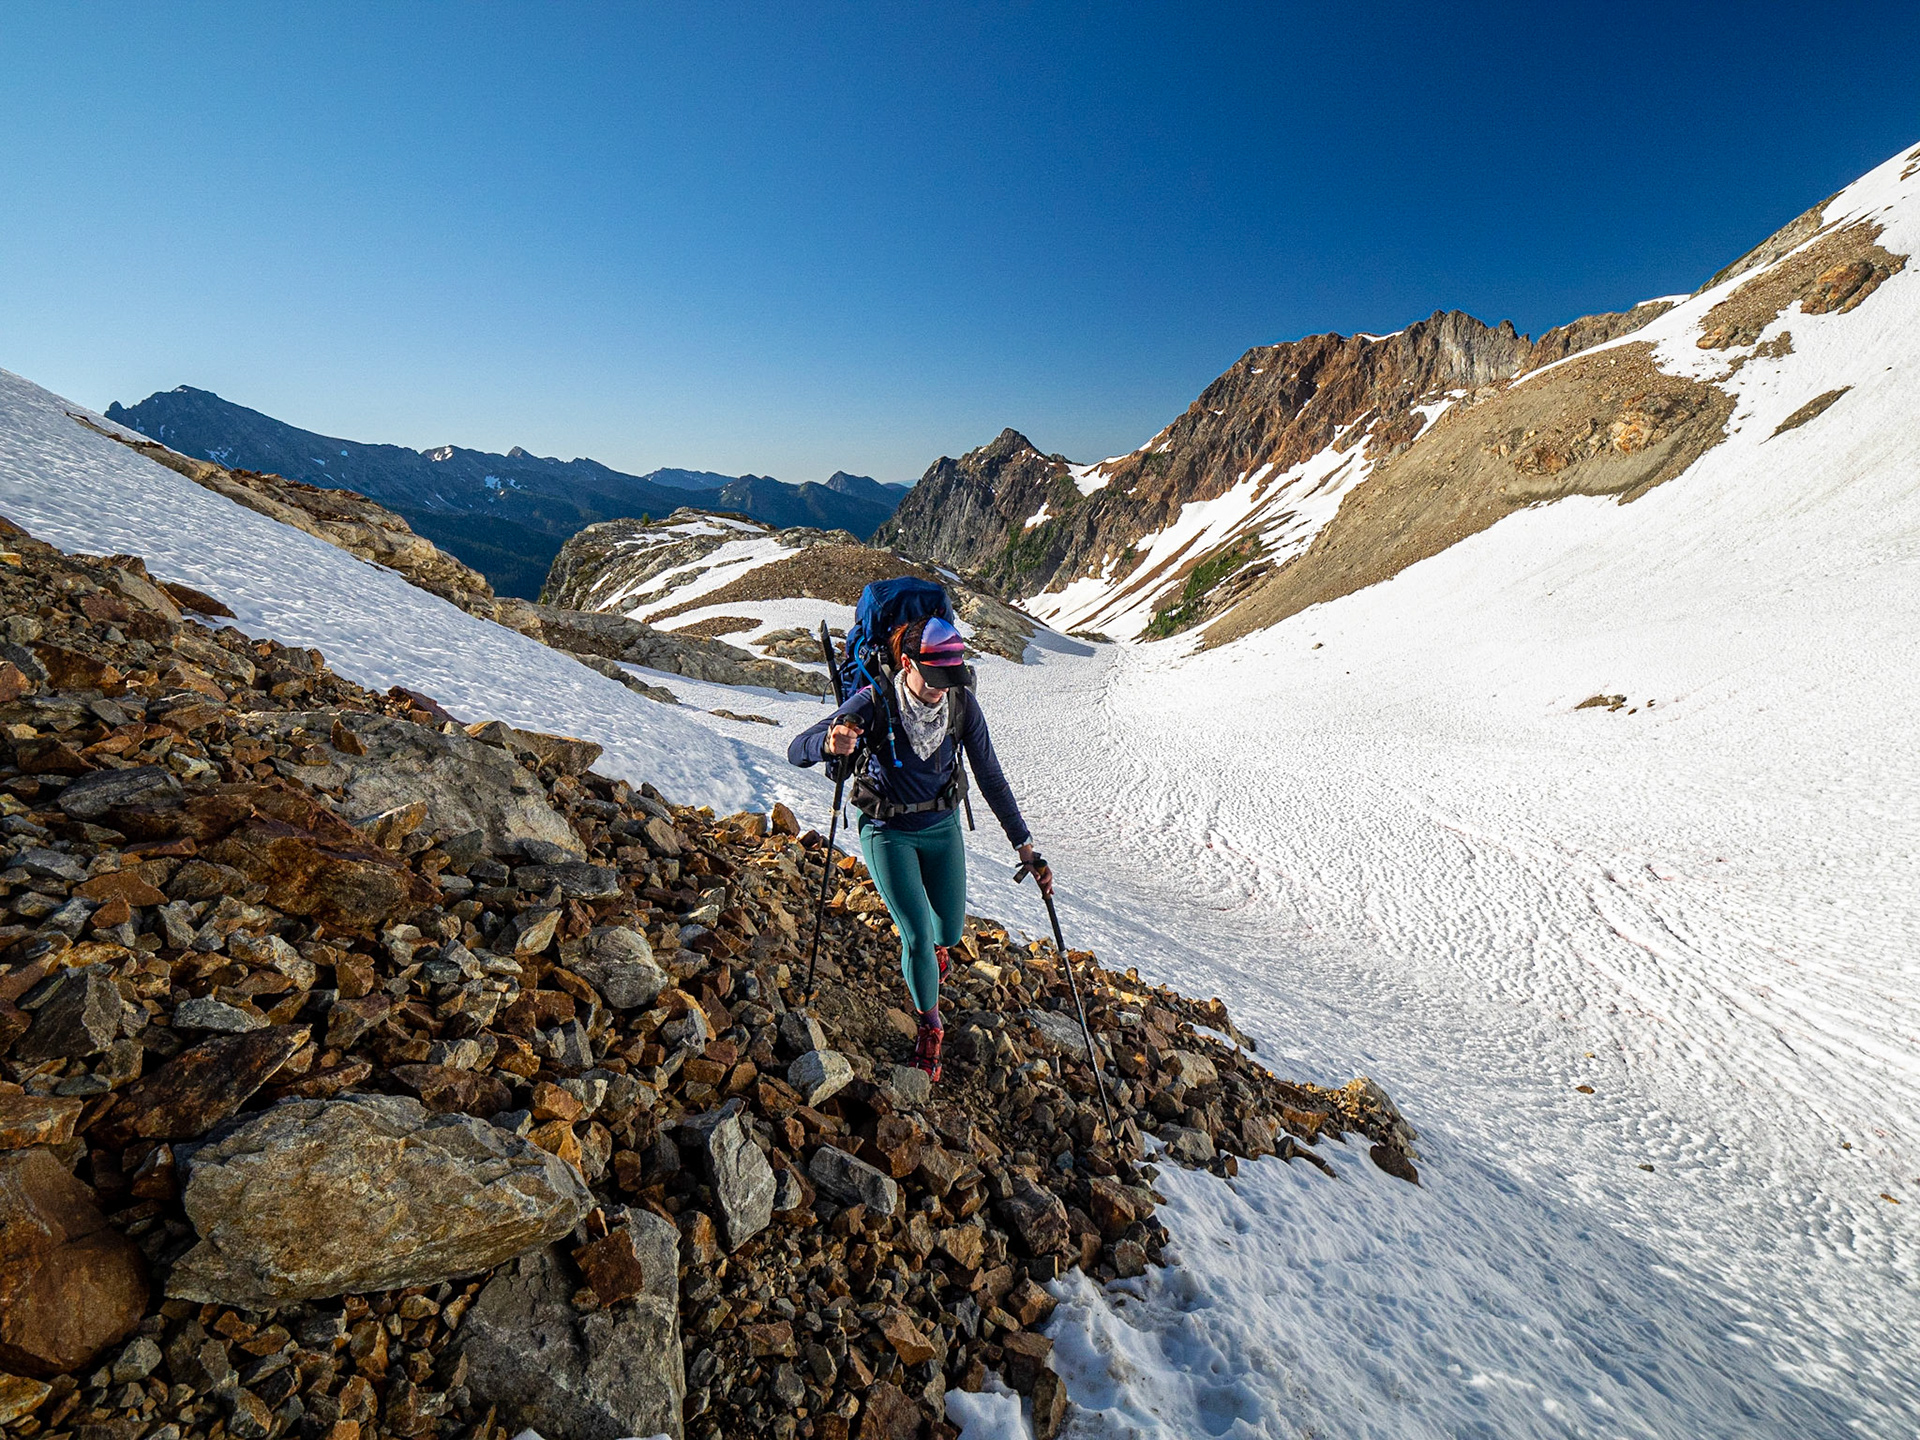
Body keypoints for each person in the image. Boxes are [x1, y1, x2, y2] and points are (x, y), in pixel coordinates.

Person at [788, 614, 1051, 1081]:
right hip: (887, 830)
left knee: (947, 931)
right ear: (907, 663)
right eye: (934, 678)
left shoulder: (960, 703)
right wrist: (829, 743)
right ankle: (930, 1026)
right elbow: (797, 748)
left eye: (949, 679)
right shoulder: (873, 701)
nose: (941, 689)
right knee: (915, 935)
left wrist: (1024, 846)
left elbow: (990, 776)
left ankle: (935, 954)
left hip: (942, 824)